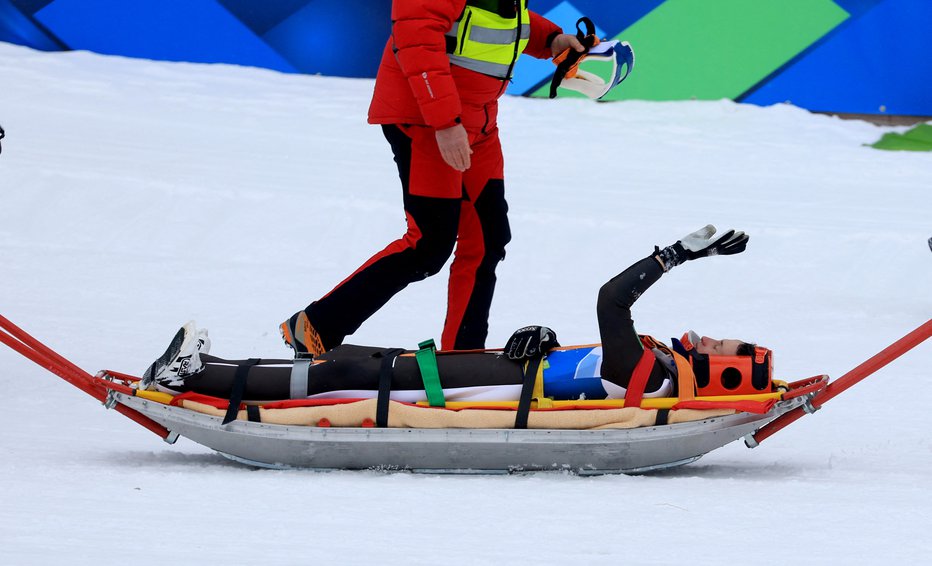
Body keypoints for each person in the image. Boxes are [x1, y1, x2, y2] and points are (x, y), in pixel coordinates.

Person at [142, 225, 770, 404]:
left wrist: (674, 256)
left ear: (723, 374)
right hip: (485, 370)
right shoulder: (650, 366)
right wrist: (544, 339)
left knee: (339, 372)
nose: (717, 338)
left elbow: (612, 302)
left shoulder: (655, 378)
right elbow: (581, 367)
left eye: (726, 347)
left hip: (473, 386)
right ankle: (205, 368)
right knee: (344, 364)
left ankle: (191, 378)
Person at [279, 1, 589, 357]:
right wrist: (445, 122)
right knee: (427, 245)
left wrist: (550, 39)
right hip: (426, 121)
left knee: (487, 239)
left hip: (478, 121)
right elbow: (416, 37)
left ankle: (463, 356)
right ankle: (315, 327)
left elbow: (498, 18)